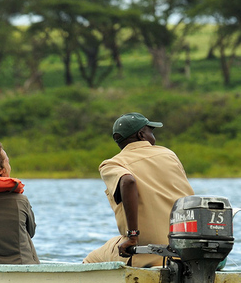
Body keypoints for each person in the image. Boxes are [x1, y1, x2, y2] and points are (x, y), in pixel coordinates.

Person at [83, 112, 194, 267]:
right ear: (142, 135)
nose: (153, 137)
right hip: (187, 246)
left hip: (148, 250)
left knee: (91, 260)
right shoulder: (169, 154)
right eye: (151, 132)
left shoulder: (112, 164)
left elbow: (127, 181)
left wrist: (133, 237)